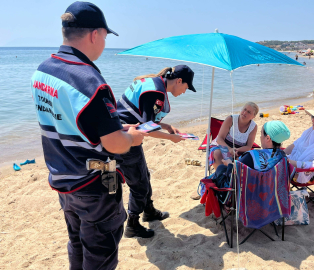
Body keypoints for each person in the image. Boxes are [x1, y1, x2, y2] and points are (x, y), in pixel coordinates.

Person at [30, 2, 146, 269]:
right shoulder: (91, 81)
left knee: (78, 243)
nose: (104, 43)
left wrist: (116, 128)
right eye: (105, 36)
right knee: (100, 253)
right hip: (95, 184)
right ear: (95, 34)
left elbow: (69, 120)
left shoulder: (43, 70)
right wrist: (132, 138)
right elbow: (115, 145)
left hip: (63, 179)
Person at [116, 65, 196, 238]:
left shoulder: (155, 83)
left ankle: (149, 210)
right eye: (186, 88)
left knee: (144, 175)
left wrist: (166, 126)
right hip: (124, 138)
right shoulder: (156, 93)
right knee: (139, 184)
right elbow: (148, 129)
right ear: (179, 81)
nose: (184, 92)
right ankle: (132, 224)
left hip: (125, 134)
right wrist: (171, 138)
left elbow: (146, 119)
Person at [208, 102, 259, 170]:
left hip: (238, 150)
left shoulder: (253, 127)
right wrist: (229, 149)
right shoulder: (231, 119)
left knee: (241, 161)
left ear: (253, 116)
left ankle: (230, 175)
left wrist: (236, 150)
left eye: (249, 112)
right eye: (244, 109)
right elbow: (219, 139)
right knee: (217, 154)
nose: (245, 112)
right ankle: (220, 175)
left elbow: (249, 146)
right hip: (222, 145)